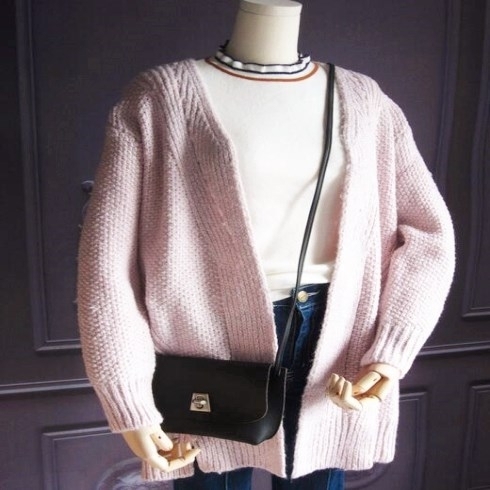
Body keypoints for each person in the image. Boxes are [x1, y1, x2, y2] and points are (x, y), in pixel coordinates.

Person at [76, 0, 456, 488]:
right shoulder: (157, 99)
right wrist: (128, 398)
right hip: (202, 341)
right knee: (209, 478)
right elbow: (106, 266)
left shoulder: (366, 101)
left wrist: (392, 348)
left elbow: (429, 234)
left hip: (334, 338)